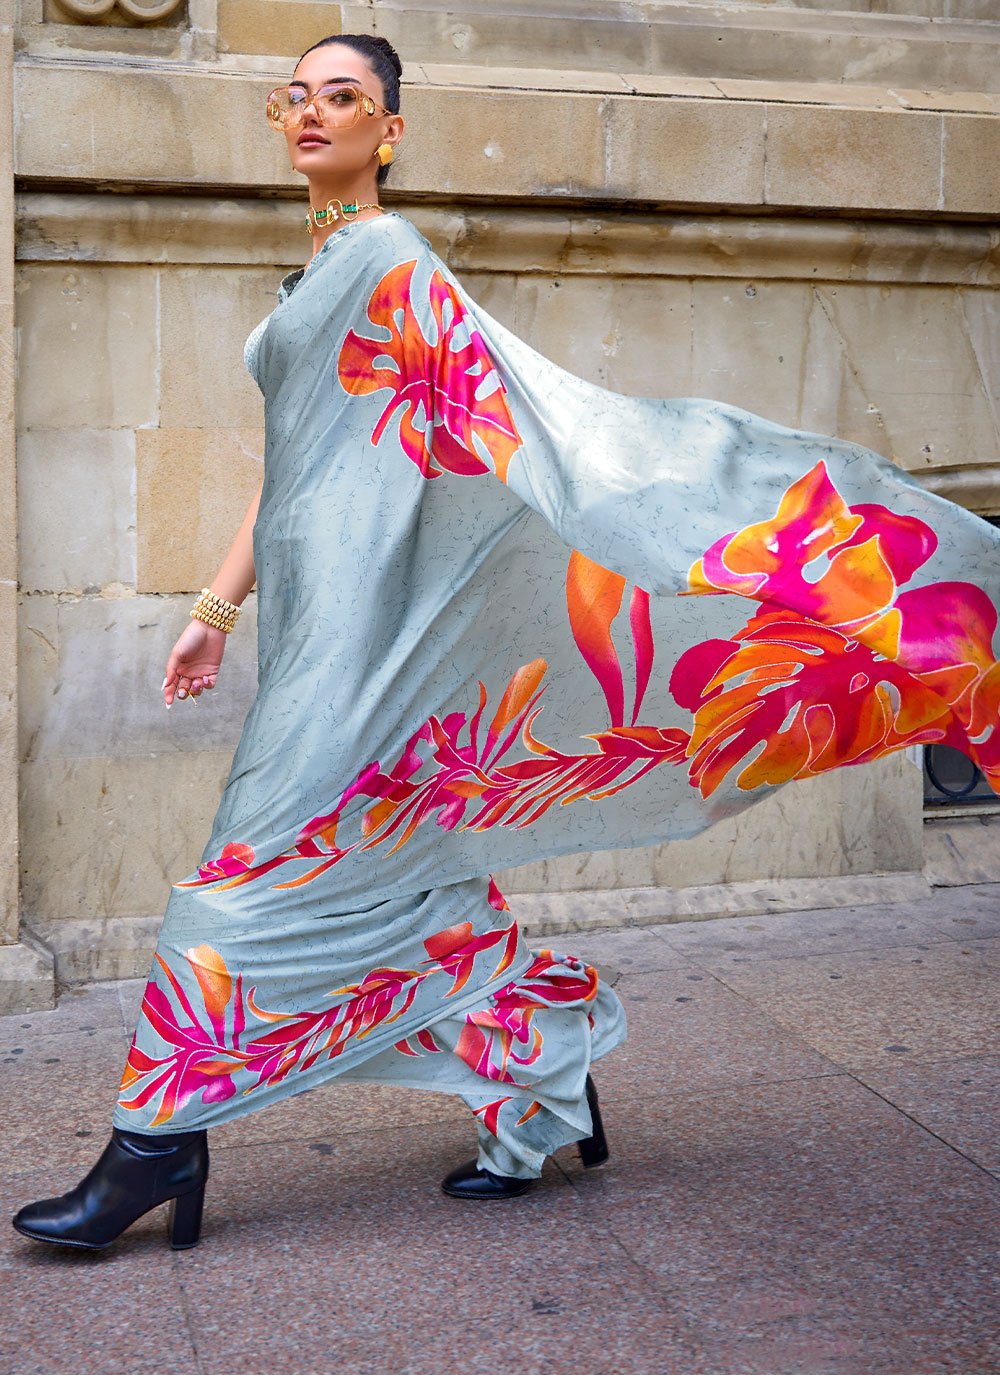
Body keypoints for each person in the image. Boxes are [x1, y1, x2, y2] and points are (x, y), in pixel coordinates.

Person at [12, 32, 1000, 1252]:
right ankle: (544, 1073)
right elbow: (295, 475)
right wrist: (216, 610)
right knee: (404, 876)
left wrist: (667, 516)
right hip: (322, 623)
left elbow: (517, 426)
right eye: (298, 97)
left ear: (392, 128)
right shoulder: (315, 270)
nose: (314, 114)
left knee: (237, 888)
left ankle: (152, 1146)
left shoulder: (388, 256)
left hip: (379, 635)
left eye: (346, 97)